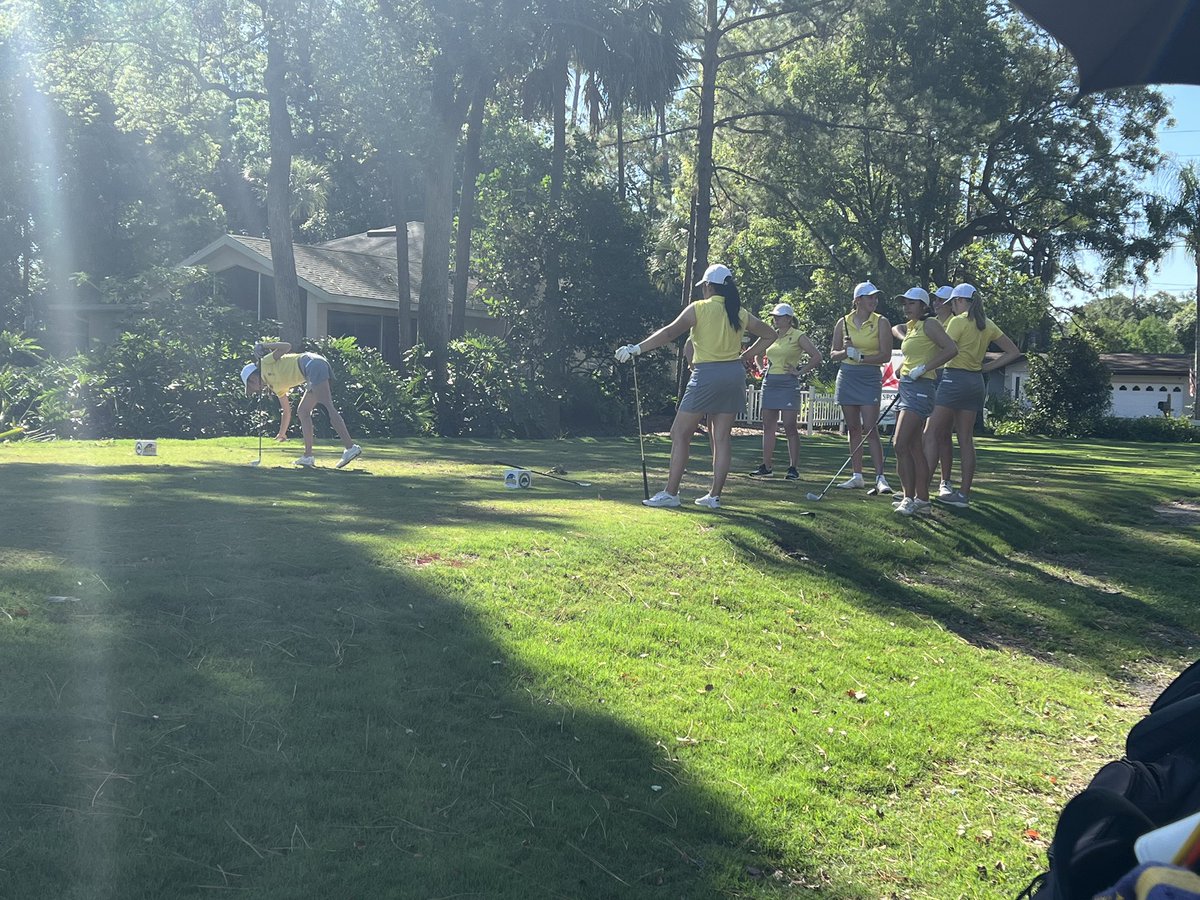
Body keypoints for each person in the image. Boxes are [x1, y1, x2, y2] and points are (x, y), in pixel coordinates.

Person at [615, 263, 776, 509]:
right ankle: (714, 496)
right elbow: (770, 334)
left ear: (709, 286)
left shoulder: (699, 308)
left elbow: (669, 333)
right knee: (720, 437)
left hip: (707, 374)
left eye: (704, 287)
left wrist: (637, 348)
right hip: (733, 374)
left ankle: (671, 493)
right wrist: (746, 355)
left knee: (679, 433)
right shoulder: (739, 312)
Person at [921, 284, 1020, 508]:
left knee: (931, 433)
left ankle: (921, 491)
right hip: (976, 381)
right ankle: (963, 495)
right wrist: (987, 368)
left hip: (953, 378)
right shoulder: (987, 323)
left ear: (958, 301)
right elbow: (1013, 351)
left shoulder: (958, 321)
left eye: (952, 302)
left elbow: (946, 349)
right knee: (965, 438)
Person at [887, 288, 958, 516]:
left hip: (921, 388)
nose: (907, 307)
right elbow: (914, 351)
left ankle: (908, 498)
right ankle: (923, 501)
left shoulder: (930, 325)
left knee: (900, 444)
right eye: (905, 303)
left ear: (924, 306)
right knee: (915, 447)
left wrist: (925, 368)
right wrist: (905, 368)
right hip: (908, 385)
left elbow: (951, 349)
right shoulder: (912, 327)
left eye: (912, 303)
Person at [240, 341, 362, 468]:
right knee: (303, 411)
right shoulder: (274, 386)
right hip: (312, 368)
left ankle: (350, 447)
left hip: (312, 363)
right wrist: (282, 433)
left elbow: (287, 346)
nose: (255, 391)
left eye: (251, 387)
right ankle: (308, 456)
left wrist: (264, 346)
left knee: (327, 406)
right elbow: (287, 410)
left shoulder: (264, 362)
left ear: (253, 379)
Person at [830, 281, 894, 494]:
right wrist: (846, 353)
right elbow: (833, 354)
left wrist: (862, 357)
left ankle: (880, 477)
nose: (874, 301)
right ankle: (857, 475)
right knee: (854, 428)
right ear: (857, 300)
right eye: (869, 297)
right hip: (847, 376)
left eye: (875, 298)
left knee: (870, 427)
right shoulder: (843, 322)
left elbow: (885, 355)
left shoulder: (881, 322)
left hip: (869, 376)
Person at [748, 303, 823, 480]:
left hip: (788, 383)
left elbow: (817, 356)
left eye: (780, 317)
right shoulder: (771, 336)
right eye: (775, 316)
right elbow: (757, 354)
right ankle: (766, 466)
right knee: (768, 426)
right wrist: (761, 368)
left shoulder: (798, 335)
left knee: (790, 425)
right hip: (770, 382)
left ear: (789, 319)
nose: (776, 319)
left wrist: (799, 371)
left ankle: (793, 468)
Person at [929, 285, 959, 498]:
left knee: (941, 433)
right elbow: (899, 328)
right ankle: (922, 482)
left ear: (951, 304)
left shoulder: (955, 324)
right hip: (929, 377)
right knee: (929, 433)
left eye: (941, 300)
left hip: (948, 377)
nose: (936, 303)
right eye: (935, 300)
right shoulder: (931, 323)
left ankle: (944, 482)